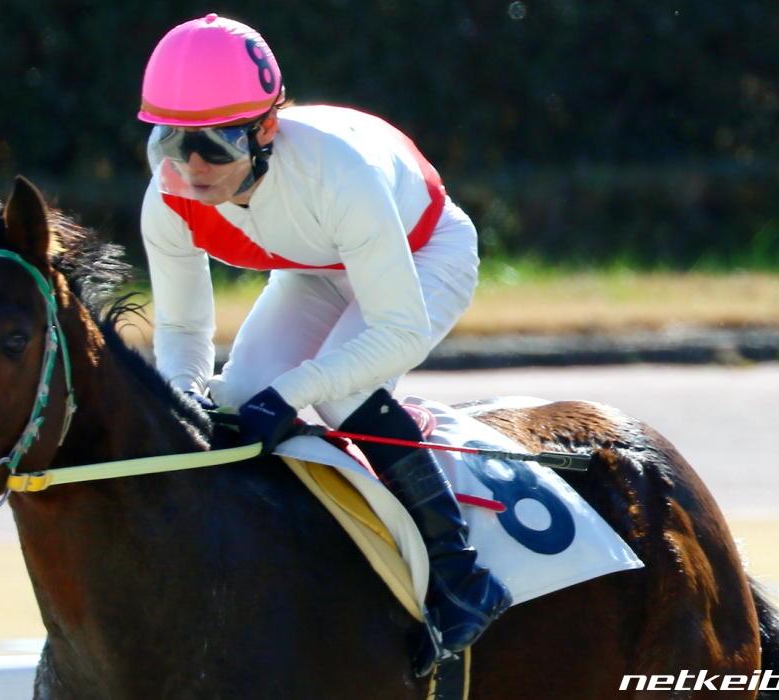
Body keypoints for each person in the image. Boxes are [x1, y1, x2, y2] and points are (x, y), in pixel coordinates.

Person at [137, 13, 511, 655]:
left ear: (266, 129)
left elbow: (398, 331)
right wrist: (183, 394)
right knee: (234, 401)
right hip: (319, 269)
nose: (194, 167)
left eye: (217, 144)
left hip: (425, 255)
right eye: (173, 141)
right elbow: (179, 326)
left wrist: (292, 394)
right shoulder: (169, 196)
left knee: (339, 393)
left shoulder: (337, 171)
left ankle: (460, 574)